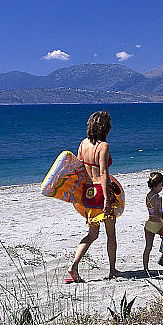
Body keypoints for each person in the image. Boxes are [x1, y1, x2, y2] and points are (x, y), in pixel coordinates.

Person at [66, 111, 120, 282]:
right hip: (101, 192)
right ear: (105, 128)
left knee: (92, 234)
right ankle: (112, 271)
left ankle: (74, 265)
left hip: (88, 194)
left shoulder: (83, 144)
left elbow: (80, 170)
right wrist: (107, 198)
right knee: (110, 234)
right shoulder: (103, 147)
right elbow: (103, 173)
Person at [143, 172, 163, 273]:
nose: (162, 188)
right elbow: (157, 214)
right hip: (157, 224)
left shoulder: (148, 195)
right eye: (162, 185)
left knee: (148, 247)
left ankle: (145, 269)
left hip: (148, 223)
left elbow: (152, 212)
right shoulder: (158, 197)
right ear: (160, 184)